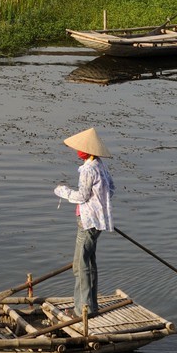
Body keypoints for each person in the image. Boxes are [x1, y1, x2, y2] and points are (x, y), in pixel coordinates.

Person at [54, 127, 114, 319]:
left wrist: (62, 191)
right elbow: (111, 189)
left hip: (88, 222)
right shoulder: (100, 165)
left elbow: (82, 196)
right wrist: (101, 207)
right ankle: (91, 306)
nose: (77, 151)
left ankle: (82, 310)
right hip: (98, 221)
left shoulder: (88, 169)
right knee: (89, 262)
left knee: (80, 265)